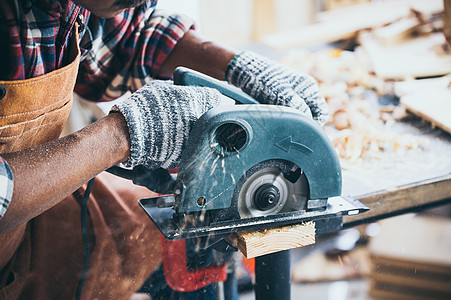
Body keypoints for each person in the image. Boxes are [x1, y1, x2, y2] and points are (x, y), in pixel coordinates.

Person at [0, 0, 328, 299]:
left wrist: (238, 68)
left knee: (188, 235)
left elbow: (133, 34)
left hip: (25, 226)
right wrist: (122, 135)